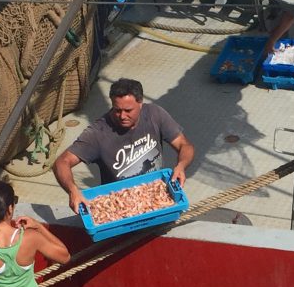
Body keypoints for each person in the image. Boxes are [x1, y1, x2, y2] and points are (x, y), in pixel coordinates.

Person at [52, 77, 194, 212]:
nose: (122, 116)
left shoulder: (155, 114)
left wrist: (181, 166)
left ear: (140, 103)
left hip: (156, 193)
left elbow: (184, 144)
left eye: (128, 111)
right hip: (120, 203)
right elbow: (61, 162)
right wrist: (73, 191)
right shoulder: (97, 133)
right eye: (117, 110)